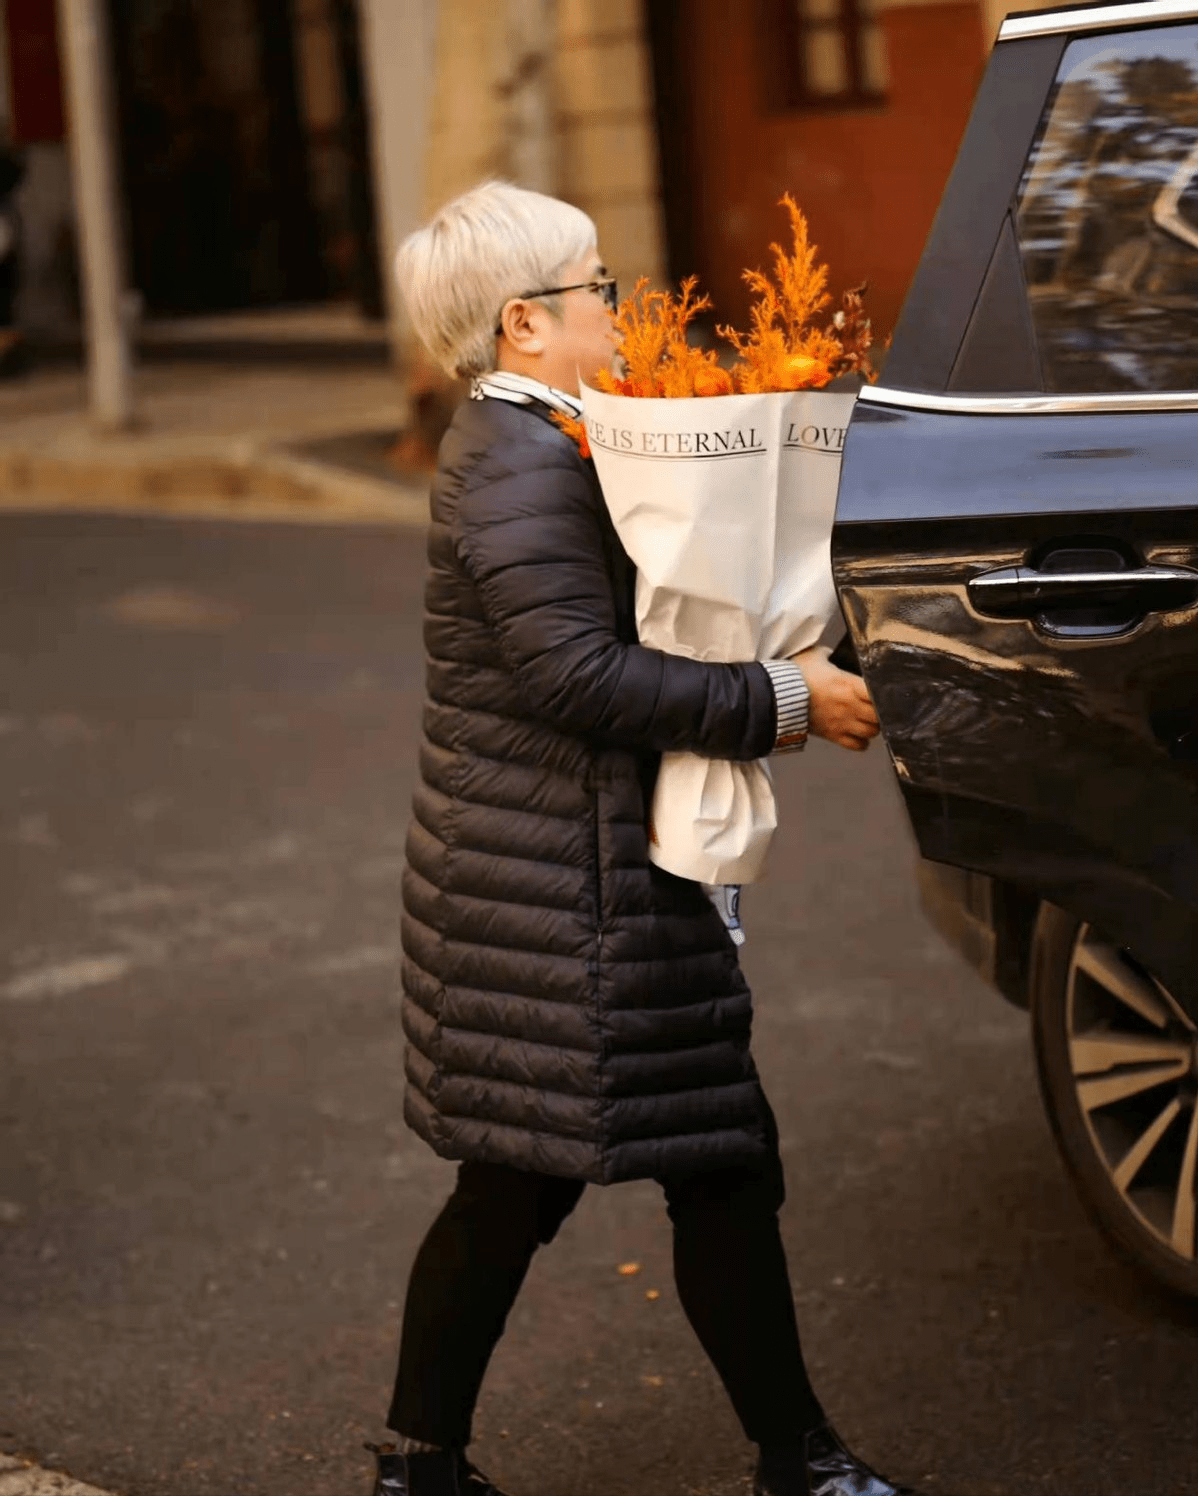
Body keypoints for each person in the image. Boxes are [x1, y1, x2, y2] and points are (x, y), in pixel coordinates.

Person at [371, 180, 917, 1496]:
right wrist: (783, 698)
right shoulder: (517, 470)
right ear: (523, 325)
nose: (617, 309)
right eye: (596, 289)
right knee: (705, 1165)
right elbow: (581, 680)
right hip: (574, 895)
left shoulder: (558, 442)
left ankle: (418, 1467)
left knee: (541, 1183)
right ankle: (800, 1464)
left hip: (567, 882)